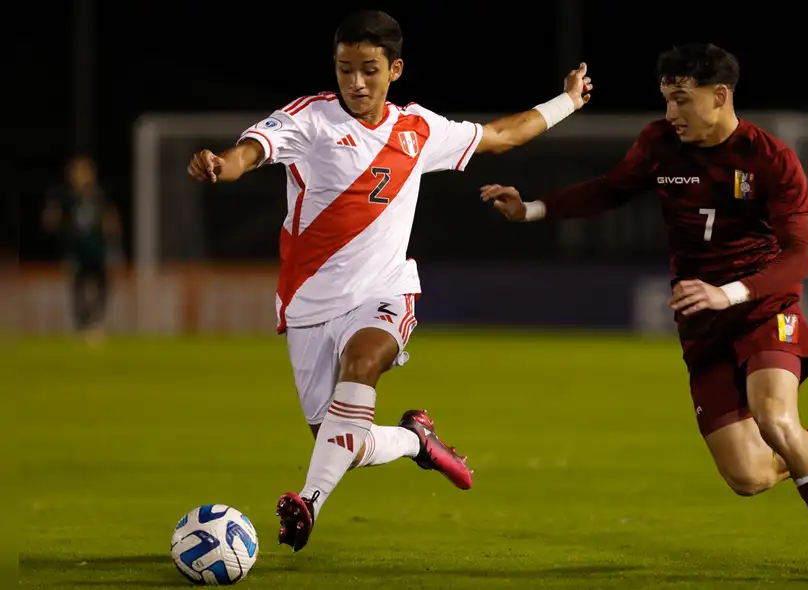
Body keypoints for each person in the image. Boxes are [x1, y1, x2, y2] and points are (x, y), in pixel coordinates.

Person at [481, 43, 808, 587]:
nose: (671, 112)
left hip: (764, 306)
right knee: (749, 476)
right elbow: (610, 190)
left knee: (775, 419)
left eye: (681, 100)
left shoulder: (770, 159)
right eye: (667, 99)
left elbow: (801, 257)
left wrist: (731, 293)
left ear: (719, 96)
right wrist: (530, 209)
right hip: (702, 320)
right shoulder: (659, 144)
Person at [186, 9, 594, 553]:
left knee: (363, 362)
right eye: (345, 69)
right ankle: (415, 440)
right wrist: (222, 164)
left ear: (395, 70)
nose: (356, 82)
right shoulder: (311, 120)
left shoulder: (418, 129)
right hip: (308, 302)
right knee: (342, 443)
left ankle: (308, 502)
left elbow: (500, 136)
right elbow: (251, 152)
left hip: (383, 291)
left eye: (369, 70)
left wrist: (567, 101)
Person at [42, 155, 122, 344]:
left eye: (83, 171)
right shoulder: (65, 196)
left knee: (102, 284)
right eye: (76, 172)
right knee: (78, 286)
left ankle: (95, 321)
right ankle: (82, 324)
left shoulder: (99, 194)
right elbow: (53, 218)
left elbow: (110, 217)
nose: (79, 176)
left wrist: (113, 229)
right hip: (75, 249)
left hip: (97, 248)